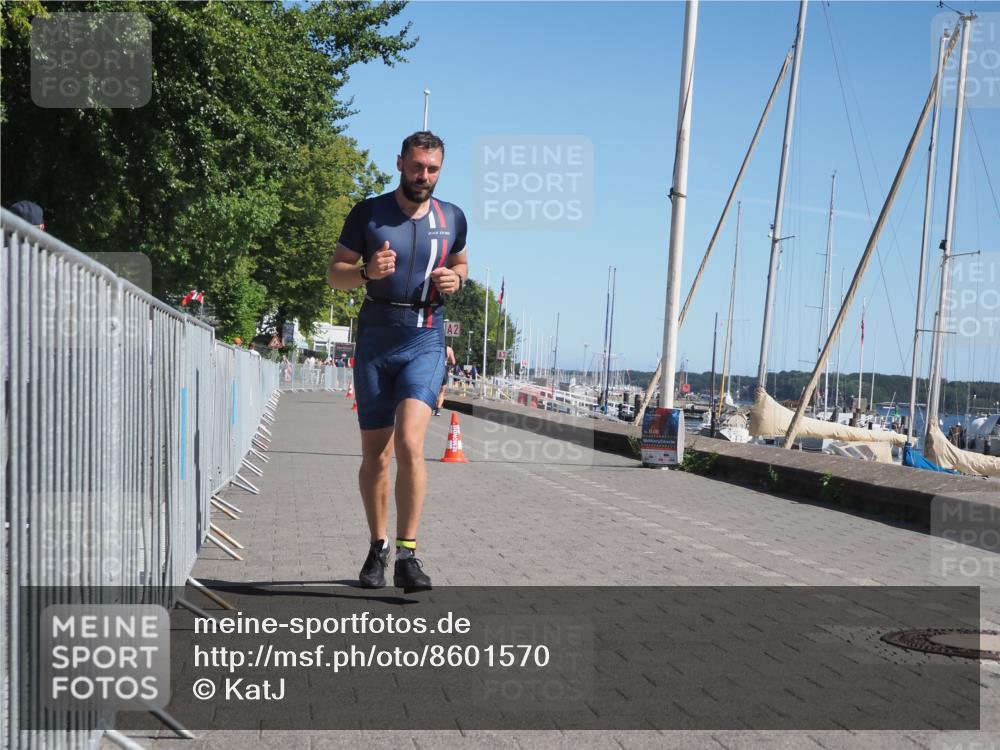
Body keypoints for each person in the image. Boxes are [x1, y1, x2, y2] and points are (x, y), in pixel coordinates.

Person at [327, 131, 468, 593]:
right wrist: (366, 272)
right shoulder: (368, 213)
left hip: (425, 338)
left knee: (409, 442)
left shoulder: (452, 217)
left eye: (433, 169)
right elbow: (335, 274)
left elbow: (461, 264)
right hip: (376, 338)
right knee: (377, 455)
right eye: (417, 166)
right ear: (400, 163)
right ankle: (378, 547)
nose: (424, 176)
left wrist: (456, 280)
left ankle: (408, 554)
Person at [434, 345, 456, 416]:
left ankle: (431, 405)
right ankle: (438, 410)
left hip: (434, 368)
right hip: (443, 369)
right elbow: (453, 362)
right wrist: (447, 361)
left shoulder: (433, 345)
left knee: (433, 389)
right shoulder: (449, 349)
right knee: (442, 391)